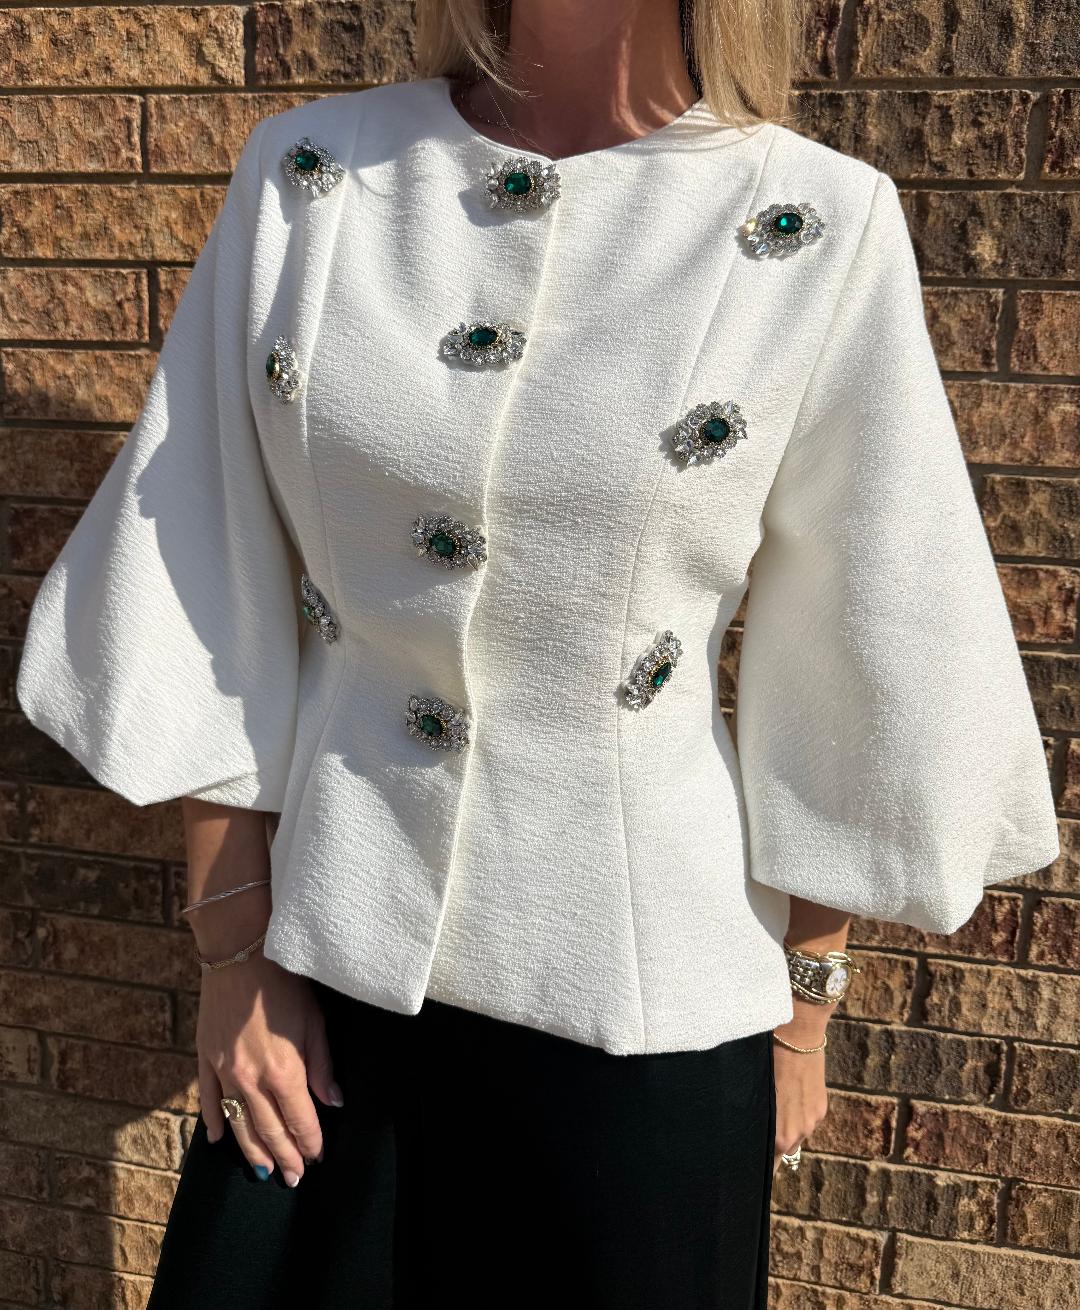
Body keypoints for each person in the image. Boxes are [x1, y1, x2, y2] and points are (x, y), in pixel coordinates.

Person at [14, 1, 1060, 1307]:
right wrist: (235, 957)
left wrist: (805, 1005)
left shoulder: (814, 223)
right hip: (327, 990)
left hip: (650, 1021)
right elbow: (203, 570)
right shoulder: (314, 176)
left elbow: (865, 635)